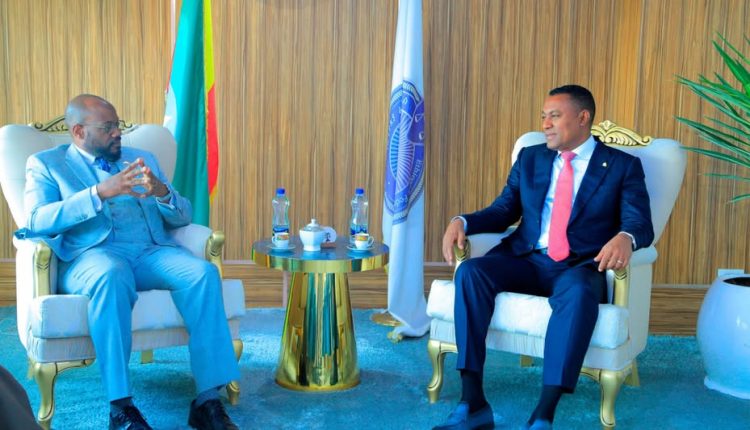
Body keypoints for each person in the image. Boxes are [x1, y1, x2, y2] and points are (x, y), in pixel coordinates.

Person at [434, 85, 654, 430]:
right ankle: (472, 402)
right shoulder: (531, 157)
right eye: (543, 116)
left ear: (582, 118)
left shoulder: (622, 166)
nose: (545, 124)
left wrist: (625, 238)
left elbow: (640, 223)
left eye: (554, 116)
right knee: (472, 272)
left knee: (579, 292)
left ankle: (543, 415)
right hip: (526, 259)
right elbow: (503, 211)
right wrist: (461, 221)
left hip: (579, 266)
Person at [16, 94, 240, 430]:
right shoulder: (47, 164)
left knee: (202, 273)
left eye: (118, 125)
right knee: (112, 273)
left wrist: (161, 191)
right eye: (107, 127)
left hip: (150, 251)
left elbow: (183, 216)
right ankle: (120, 408)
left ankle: (207, 401)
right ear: (79, 132)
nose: (117, 133)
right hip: (92, 257)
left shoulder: (143, 158)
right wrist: (99, 192)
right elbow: (36, 221)